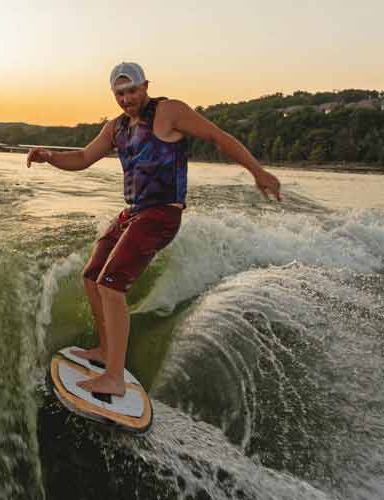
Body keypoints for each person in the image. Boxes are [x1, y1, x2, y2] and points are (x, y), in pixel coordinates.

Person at [26, 62, 281, 397]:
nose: (127, 98)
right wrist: (49, 156)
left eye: (132, 90)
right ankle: (105, 352)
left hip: (161, 214)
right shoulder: (115, 127)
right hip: (133, 213)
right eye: (120, 93)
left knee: (112, 285)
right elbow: (84, 157)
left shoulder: (168, 111)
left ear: (145, 86)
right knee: (92, 275)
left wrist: (257, 172)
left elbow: (218, 136)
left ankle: (114, 377)